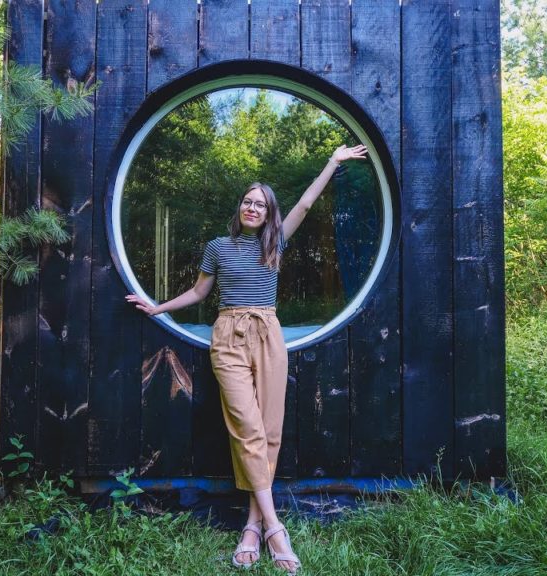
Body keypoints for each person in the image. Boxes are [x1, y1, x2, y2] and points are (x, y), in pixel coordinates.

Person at [126, 144, 369, 573]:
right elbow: (200, 292)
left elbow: (308, 202)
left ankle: (252, 527)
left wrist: (334, 161)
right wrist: (158, 307)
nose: (252, 208)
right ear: (239, 208)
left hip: (268, 335)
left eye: (260, 204)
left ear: (269, 213)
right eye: (247, 201)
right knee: (247, 426)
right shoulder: (217, 247)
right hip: (229, 336)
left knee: (269, 432)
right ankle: (277, 528)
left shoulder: (276, 241)